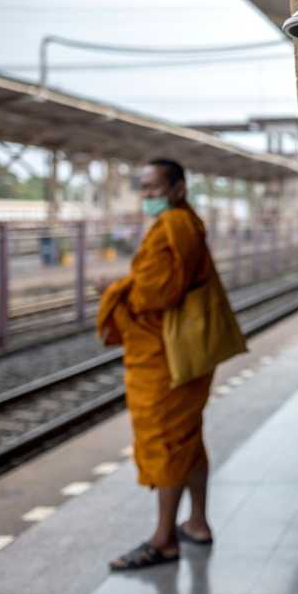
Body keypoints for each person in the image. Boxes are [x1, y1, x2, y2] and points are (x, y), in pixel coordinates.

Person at [96, 158, 218, 570]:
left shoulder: (174, 226)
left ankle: (164, 540)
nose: (147, 195)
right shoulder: (184, 223)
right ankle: (197, 522)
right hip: (183, 351)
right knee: (188, 438)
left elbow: (154, 295)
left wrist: (113, 290)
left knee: (167, 440)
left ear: (178, 188)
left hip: (168, 355)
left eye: (154, 187)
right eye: (144, 188)